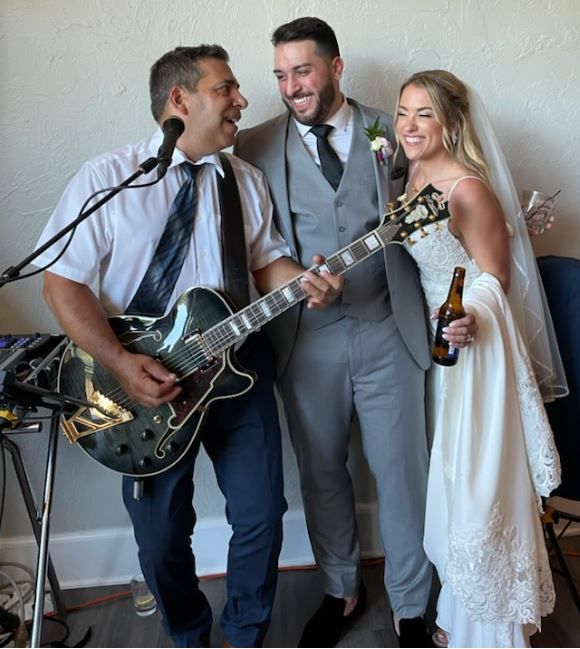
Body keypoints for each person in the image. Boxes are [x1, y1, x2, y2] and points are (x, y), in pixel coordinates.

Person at [34, 45, 342, 648]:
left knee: (262, 517)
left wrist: (306, 282)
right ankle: (190, 636)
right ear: (180, 100)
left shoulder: (244, 180)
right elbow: (60, 284)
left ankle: (245, 635)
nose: (243, 100)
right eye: (226, 89)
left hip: (238, 369)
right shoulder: (108, 178)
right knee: (159, 539)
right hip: (141, 385)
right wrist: (120, 362)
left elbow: (266, 263)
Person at [235, 17, 477, 647]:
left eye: (303, 71)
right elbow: (253, 247)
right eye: (281, 75)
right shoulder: (254, 147)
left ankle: (411, 606)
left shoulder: (389, 130)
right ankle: (341, 590)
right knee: (321, 474)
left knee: (401, 474)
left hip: (388, 328)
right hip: (304, 342)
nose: (292, 86)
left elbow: (448, 191)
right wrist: (295, 280)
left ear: (335, 68)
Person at [393, 69, 568, 647]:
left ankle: (490, 628)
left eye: (424, 114)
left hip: (474, 348)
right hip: (437, 351)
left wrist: (467, 316)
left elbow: (496, 280)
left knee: (476, 487)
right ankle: (459, 607)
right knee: (451, 482)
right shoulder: (412, 174)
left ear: (452, 123)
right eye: (403, 112)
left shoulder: (467, 190)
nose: (409, 125)